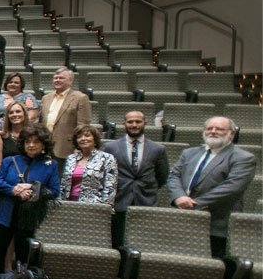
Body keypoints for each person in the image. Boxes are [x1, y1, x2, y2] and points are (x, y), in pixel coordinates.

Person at [0, 124, 61, 279]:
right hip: (4, 212)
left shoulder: (50, 165)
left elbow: (55, 191)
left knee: (23, 253)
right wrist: (14, 189)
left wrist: (33, 188)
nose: (31, 145)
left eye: (36, 142)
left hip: (29, 216)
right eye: (28, 142)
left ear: (43, 145)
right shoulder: (10, 161)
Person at [168, 116, 257, 259]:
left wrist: (194, 204)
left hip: (216, 224)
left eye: (219, 129)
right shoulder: (189, 153)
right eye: (209, 128)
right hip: (183, 218)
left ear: (231, 134)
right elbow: (173, 176)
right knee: (179, 263)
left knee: (210, 269)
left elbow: (232, 188)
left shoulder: (244, 158)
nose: (213, 131)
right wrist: (179, 197)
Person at [102, 110, 169, 247]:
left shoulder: (158, 149)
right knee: (117, 243)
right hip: (119, 200)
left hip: (146, 201)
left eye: (138, 121)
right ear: (124, 124)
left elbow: (162, 176)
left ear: (145, 123)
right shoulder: (110, 147)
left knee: (143, 244)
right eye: (130, 121)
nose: (134, 125)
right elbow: (104, 173)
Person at [40, 68, 91, 161]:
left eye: (61, 78)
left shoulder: (80, 98)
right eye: (55, 78)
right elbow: (40, 122)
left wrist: (79, 147)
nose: (57, 80)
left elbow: (83, 126)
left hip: (67, 148)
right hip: (45, 146)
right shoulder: (46, 98)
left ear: (70, 81)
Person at [61, 125, 117, 205]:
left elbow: (110, 187)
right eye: (79, 137)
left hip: (95, 207)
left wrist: (105, 208)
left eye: (87, 136)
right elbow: (63, 184)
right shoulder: (71, 158)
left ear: (95, 139)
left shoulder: (107, 158)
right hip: (69, 204)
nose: (83, 139)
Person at [0, 101, 30, 169]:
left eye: (18, 111)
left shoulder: (32, 135)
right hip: (8, 176)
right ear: (7, 116)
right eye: (11, 113)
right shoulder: (1, 137)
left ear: (24, 114)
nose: (15, 114)